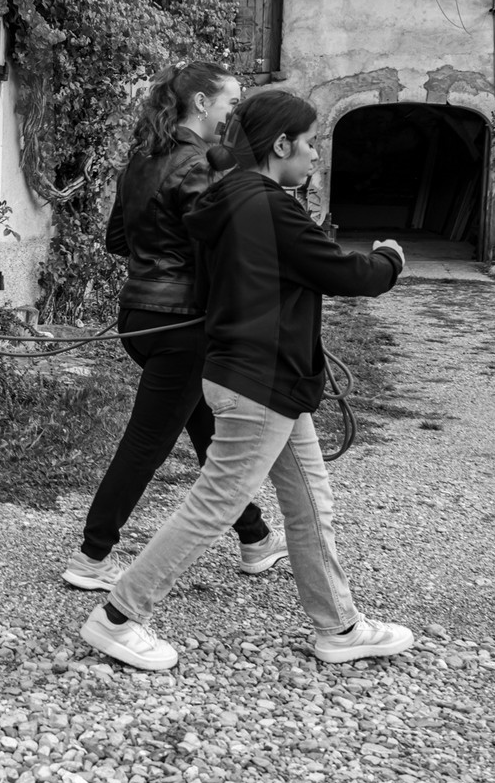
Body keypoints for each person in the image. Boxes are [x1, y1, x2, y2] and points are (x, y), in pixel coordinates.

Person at [80, 90, 412, 670]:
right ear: (281, 144)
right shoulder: (268, 205)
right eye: (311, 143)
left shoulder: (227, 198)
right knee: (215, 504)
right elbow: (344, 271)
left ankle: (339, 627)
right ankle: (118, 616)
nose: (316, 156)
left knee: (311, 503)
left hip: (263, 377)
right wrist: (390, 260)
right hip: (259, 380)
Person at [63, 62, 289, 592]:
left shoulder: (141, 160)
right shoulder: (199, 165)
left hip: (140, 316)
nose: (235, 112)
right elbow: (220, 239)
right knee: (146, 442)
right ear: (204, 103)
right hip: (182, 322)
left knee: (205, 428)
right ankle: (91, 557)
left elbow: (118, 239)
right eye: (232, 102)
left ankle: (255, 537)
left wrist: (158, 250)